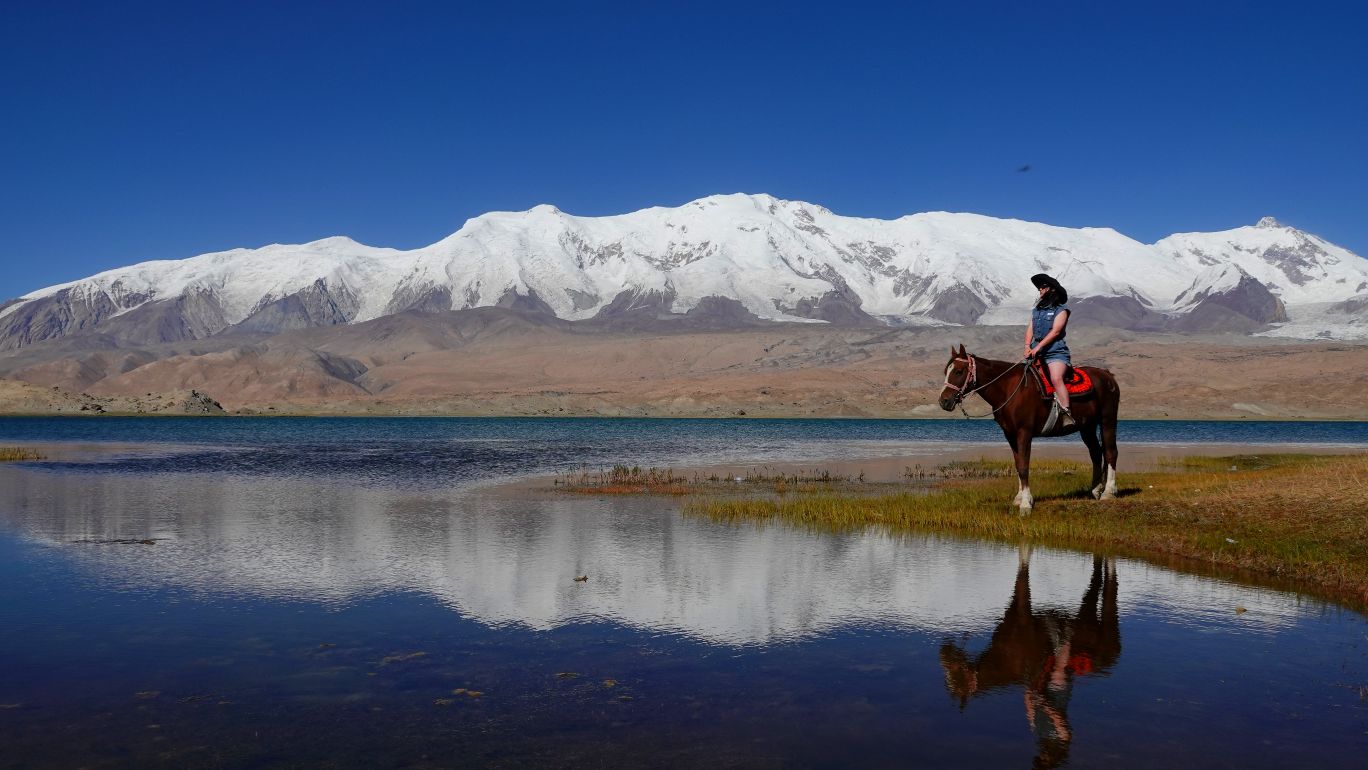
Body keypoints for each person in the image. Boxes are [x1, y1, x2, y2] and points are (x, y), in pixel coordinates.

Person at [1024, 273, 1073, 426]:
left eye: (1043, 287)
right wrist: (1027, 346)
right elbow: (1030, 329)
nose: (1040, 289)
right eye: (1039, 287)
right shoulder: (1036, 311)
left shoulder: (1061, 310)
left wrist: (1038, 346)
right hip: (1035, 352)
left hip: (1055, 352)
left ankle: (1066, 413)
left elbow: (1056, 331)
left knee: (1056, 378)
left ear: (1052, 289)